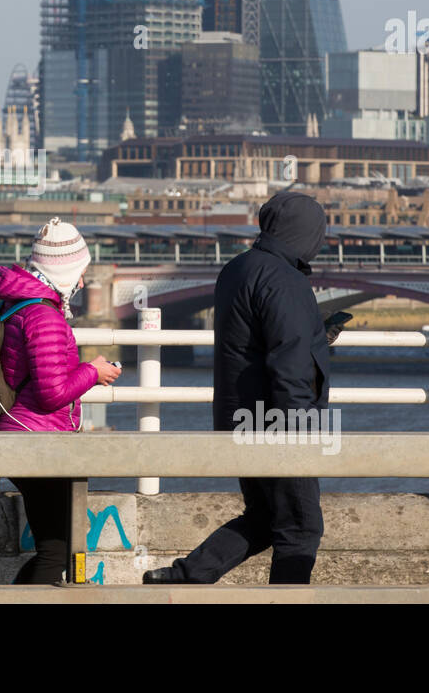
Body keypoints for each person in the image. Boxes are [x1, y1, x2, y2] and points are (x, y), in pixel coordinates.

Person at [144, 191, 330, 585]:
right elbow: (290, 361)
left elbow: (254, 341)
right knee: (300, 528)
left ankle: (182, 576)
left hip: (239, 417)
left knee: (263, 517)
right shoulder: (286, 280)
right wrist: (298, 434)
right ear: (308, 233)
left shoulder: (238, 268)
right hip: (277, 420)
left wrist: (316, 335)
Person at [0, 217, 122, 584]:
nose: (83, 282)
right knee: (58, 549)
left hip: (25, 434)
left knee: (56, 547)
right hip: (37, 439)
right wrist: (93, 371)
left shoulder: (22, 306)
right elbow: (51, 394)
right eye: (80, 272)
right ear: (65, 271)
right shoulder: (44, 317)